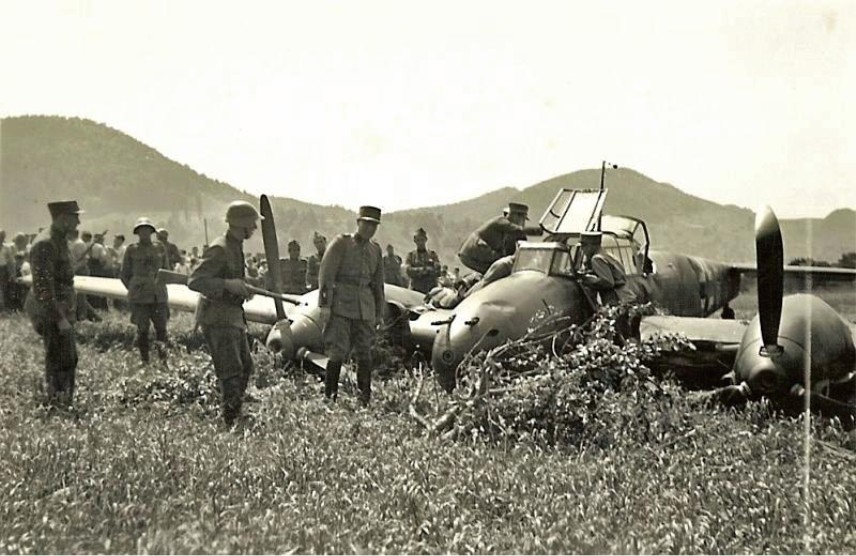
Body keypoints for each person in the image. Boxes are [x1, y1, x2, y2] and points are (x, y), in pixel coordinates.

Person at [188, 201, 261, 427]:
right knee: (231, 371)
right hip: (219, 318)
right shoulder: (220, 248)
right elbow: (195, 280)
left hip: (232, 316)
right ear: (241, 223)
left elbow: (230, 278)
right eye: (252, 223)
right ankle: (230, 421)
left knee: (245, 366)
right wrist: (228, 285)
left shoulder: (235, 246)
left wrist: (244, 286)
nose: (255, 228)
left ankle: (234, 411)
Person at [318, 205, 385, 406]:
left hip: (365, 309)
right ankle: (330, 398)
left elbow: (378, 284)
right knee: (337, 352)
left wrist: (379, 313)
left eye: (374, 225)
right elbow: (326, 276)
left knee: (365, 352)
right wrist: (325, 305)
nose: (370, 229)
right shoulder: (341, 243)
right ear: (358, 222)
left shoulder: (375, 250)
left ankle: (364, 399)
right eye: (366, 224)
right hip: (341, 306)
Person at [24, 200, 84, 407]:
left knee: (68, 358)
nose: (78, 222)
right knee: (60, 358)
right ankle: (58, 403)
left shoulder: (59, 240)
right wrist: (59, 319)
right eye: (75, 217)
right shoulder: (46, 244)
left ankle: (63, 400)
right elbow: (43, 288)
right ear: (63, 218)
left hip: (63, 308)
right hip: (53, 312)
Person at [121, 217, 171, 364]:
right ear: (137, 233)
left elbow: (166, 270)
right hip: (140, 297)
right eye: (141, 230)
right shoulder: (131, 250)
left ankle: (163, 360)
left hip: (158, 295)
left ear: (151, 232)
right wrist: (134, 289)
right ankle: (145, 361)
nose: (144, 233)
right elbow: (124, 274)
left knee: (161, 328)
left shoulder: (159, 248)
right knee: (142, 329)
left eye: (147, 230)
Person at [457, 202, 542, 274]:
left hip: (471, 254)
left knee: (496, 269)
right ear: (516, 216)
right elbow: (519, 230)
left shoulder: (507, 227)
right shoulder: (502, 222)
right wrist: (540, 231)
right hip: (472, 252)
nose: (523, 223)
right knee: (500, 268)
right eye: (523, 219)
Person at [578, 231, 628, 305]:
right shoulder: (607, 255)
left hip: (616, 299)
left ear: (593, 245)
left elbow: (608, 282)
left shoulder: (597, 259)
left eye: (584, 245)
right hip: (625, 296)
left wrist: (589, 279)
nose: (582, 249)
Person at [405, 228, 441, 294]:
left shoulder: (432, 255)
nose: (420, 243)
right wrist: (422, 270)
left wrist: (429, 270)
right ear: (415, 241)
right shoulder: (411, 255)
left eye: (422, 240)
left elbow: (438, 270)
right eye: (418, 240)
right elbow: (408, 270)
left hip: (430, 289)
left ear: (426, 239)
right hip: (415, 289)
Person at [0, 230, 14, 311]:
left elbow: (10, 261)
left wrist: (12, 273)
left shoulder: (6, 248)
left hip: (3, 269)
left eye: (2, 237)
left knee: (4, 288)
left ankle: (4, 307)